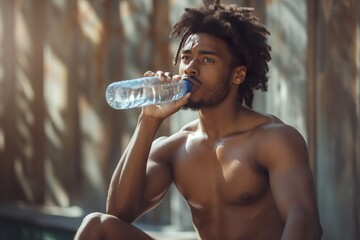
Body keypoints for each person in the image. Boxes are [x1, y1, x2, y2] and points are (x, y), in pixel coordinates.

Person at [75, 0, 322, 239]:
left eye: (207, 59)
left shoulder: (273, 139)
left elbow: (306, 225)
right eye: (186, 58)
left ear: (238, 75)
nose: (191, 68)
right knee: (96, 226)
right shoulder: (175, 148)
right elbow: (119, 213)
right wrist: (148, 120)